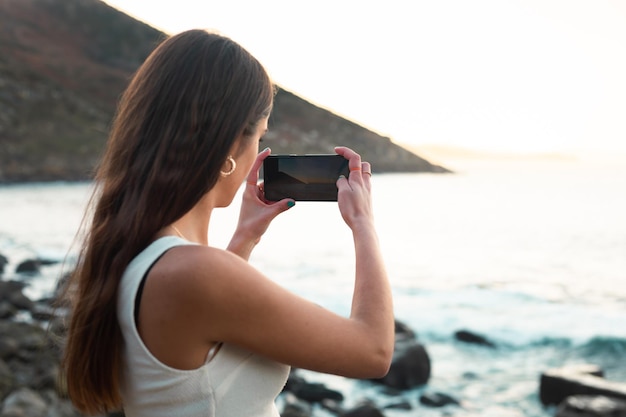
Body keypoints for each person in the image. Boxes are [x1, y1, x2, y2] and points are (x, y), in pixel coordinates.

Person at [60, 29, 394, 417]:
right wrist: (363, 223)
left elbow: (199, 357)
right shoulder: (192, 273)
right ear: (233, 144)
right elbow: (373, 350)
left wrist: (245, 237)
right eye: (259, 136)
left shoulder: (134, 254)